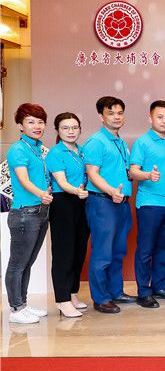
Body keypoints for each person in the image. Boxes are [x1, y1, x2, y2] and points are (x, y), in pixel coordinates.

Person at [84, 96, 134, 314]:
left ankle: (115, 291)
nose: (116, 117)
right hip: (103, 203)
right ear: (101, 116)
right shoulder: (96, 141)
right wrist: (111, 190)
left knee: (118, 251)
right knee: (103, 252)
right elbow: (92, 173)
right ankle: (101, 298)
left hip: (121, 203)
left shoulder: (120, 142)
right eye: (111, 113)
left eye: (120, 113)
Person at [129, 100, 165, 308]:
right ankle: (144, 291)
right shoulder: (142, 142)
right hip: (149, 203)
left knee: (164, 248)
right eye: (160, 117)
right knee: (146, 249)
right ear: (150, 119)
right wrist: (148, 175)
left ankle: (159, 286)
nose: (164, 121)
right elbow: (133, 171)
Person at [5, 104, 51, 323]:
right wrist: (42, 193)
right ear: (20, 126)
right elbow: (23, 180)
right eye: (31, 122)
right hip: (25, 213)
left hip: (40, 211)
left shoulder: (38, 149)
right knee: (17, 264)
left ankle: (22, 304)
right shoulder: (18, 149)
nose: (37, 126)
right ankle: (15, 309)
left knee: (27, 262)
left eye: (40, 122)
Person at [46, 112, 90, 318]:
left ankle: (72, 294)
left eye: (74, 127)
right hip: (63, 202)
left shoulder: (82, 151)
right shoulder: (56, 153)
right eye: (65, 128)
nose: (71, 131)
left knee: (79, 250)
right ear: (57, 130)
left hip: (81, 202)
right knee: (64, 252)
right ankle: (62, 300)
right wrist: (76, 191)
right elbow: (62, 182)